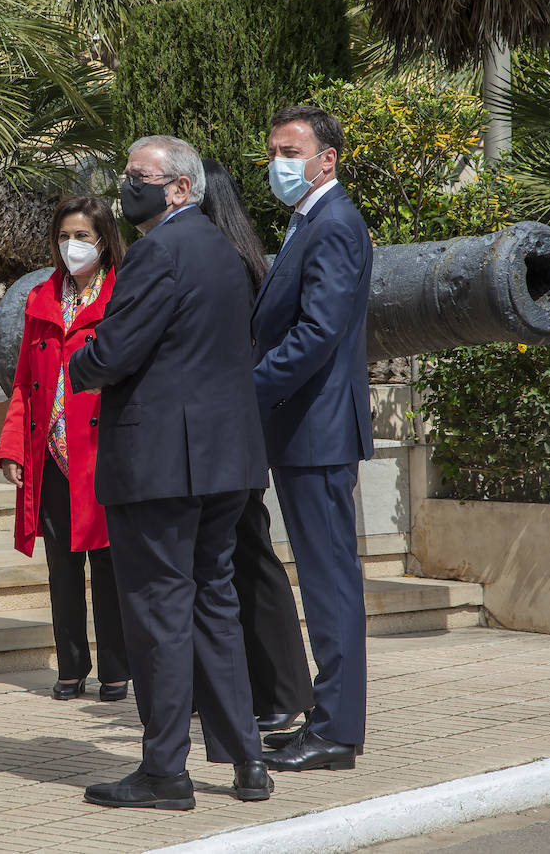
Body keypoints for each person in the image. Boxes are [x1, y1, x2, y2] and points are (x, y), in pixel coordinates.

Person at [70, 136, 273, 809]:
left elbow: (117, 350)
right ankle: (247, 758)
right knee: (214, 606)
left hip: (163, 466)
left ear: (181, 188)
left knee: (159, 612)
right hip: (221, 463)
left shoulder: (161, 250)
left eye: (140, 176)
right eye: (126, 172)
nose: (127, 186)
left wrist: (80, 360)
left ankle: (165, 771)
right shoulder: (221, 247)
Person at [253, 106, 374, 773]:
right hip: (305, 431)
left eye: (290, 150)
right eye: (273, 150)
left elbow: (316, 334)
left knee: (330, 585)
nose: (279, 161)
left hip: (317, 432)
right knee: (325, 581)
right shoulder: (310, 221)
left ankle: (334, 732)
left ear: (327, 158)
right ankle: (328, 720)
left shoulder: (332, 225)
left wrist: (249, 389)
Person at [0, 196, 130, 703]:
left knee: (109, 565)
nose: (71, 246)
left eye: (82, 237)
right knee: (62, 567)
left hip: (101, 451)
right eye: (64, 236)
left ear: (104, 241)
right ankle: (71, 665)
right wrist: (12, 449)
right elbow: (25, 384)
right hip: (50, 454)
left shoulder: (121, 296)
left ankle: (117, 668)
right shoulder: (41, 298)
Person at [199, 159, 314, 734]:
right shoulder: (237, 260)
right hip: (223, 430)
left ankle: (283, 687)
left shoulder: (227, 264)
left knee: (250, 553)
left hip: (226, 431)